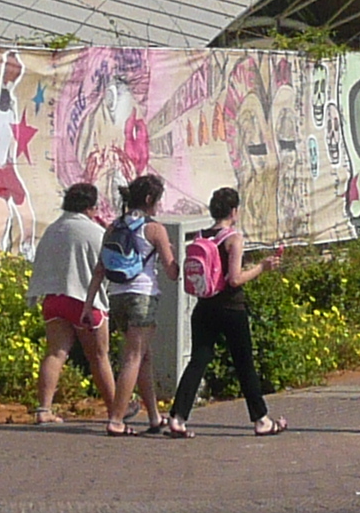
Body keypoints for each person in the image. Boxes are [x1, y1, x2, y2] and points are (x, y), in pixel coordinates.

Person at [164, 185, 285, 438]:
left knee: (198, 360)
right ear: (234, 211)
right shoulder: (233, 238)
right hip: (231, 308)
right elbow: (235, 279)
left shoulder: (201, 236)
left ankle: (177, 417)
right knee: (244, 364)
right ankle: (261, 419)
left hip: (204, 307)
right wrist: (263, 267)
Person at [97, 174, 174, 437]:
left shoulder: (113, 226)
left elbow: (100, 268)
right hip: (142, 295)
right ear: (151, 199)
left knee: (143, 357)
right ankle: (116, 419)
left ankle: (154, 416)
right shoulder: (154, 229)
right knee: (133, 357)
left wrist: (89, 304)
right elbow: (172, 271)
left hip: (116, 296)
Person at [30, 182, 112, 424]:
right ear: (90, 207)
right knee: (99, 356)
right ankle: (115, 409)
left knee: (55, 353)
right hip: (85, 299)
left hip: (53, 298)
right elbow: (109, 264)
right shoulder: (95, 232)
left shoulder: (53, 229)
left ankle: (43, 409)